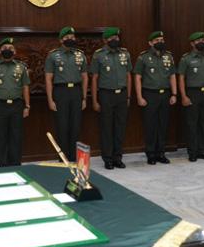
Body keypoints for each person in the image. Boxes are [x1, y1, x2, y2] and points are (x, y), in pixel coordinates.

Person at [0, 37, 31, 167]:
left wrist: (27, 106)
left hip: (17, 105)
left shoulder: (21, 67)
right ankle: (3, 165)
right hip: (0, 105)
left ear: (15, 51)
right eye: (4, 48)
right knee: (1, 136)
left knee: (16, 136)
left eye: (10, 48)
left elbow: (25, 87)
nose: (7, 50)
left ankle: (15, 164)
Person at [90, 27, 132, 170]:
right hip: (106, 94)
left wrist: (128, 96)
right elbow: (94, 78)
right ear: (105, 40)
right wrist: (95, 100)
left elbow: (128, 76)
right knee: (106, 128)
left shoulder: (125, 53)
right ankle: (107, 159)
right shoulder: (99, 55)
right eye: (112, 38)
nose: (115, 40)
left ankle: (117, 157)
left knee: (120, 127)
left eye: (117, 37)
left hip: (122, 94)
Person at [44, 26, 88, 161]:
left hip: (76, 91)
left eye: (72, 37)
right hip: (60, 92)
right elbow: (48, 78)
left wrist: (84, 98)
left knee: (75, 125)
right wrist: (50, 100)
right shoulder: (53, 55)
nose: (70, 39)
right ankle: (63, 157)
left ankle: (74, 157)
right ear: (61, 40)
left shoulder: (80, 55)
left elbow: (85, 77)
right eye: (67, 37)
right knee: (62, 126)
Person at [133, 31, 177, 165]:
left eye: (161, 39)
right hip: (150, 94)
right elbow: (137, 77)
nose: (160, 42)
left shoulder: (168, 57)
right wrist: (139, 97)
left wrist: (174, 94)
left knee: (163, 124)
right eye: (156, 40)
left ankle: (161, 153)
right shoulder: (143, 57)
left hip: (165, 94)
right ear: (150, 43)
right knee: (150, 125)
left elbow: (172, 76)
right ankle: (151, 153)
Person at [178, 31, 204, 162]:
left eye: (203, 40)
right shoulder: (186, 58)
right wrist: (183, 96)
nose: (202, 42)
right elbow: (181, 78)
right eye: (199, 41)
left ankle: (203, 150)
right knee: (192, 124)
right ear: (192, 43)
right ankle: (192, 152)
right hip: (192, 93)